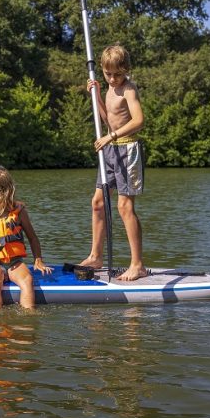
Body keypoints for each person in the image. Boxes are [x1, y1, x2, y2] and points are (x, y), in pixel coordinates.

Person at [81, 44, 147, 281]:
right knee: (98, 203)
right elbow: (109, 119)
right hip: (109, 150)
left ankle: (137, 264)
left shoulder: (129, 89)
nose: (113, 78)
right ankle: (95, 256)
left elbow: (138, 120)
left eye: (117, 74)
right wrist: (97, 94)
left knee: (124, 207)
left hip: (127, 149)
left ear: (126, 70)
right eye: (108, 74)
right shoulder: (108, 88)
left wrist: (111, 136)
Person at [0, 167, 53, 310]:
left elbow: (32, 237)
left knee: (27, 280)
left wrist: (38, 260)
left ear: (4, 194)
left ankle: (28, 316)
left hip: (15, 262)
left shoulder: (19, 211)